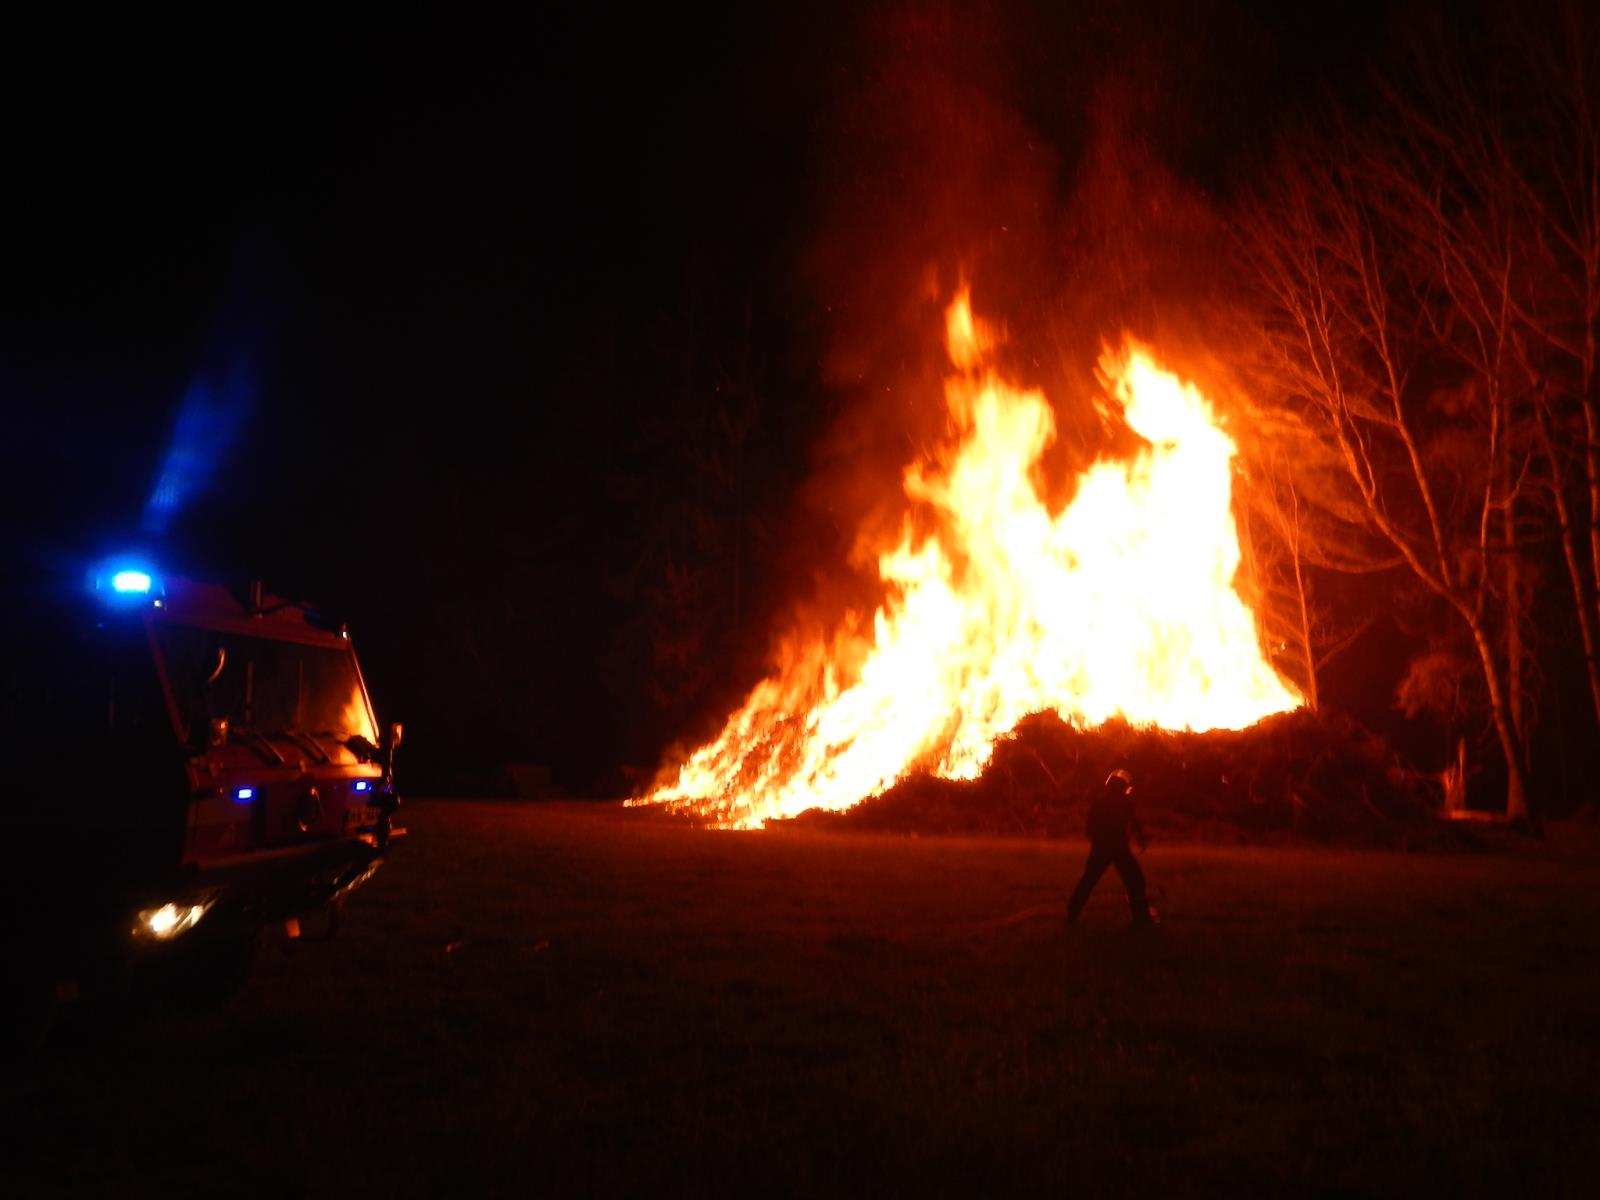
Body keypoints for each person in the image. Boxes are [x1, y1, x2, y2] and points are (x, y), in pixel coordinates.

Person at [1067, 768, 1157, 925]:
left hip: (1100, 848)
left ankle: (1072, 911)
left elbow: (1089, 829)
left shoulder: (1098, 803)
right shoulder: (1126, 803)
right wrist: (1140, 839)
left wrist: (1099, 841)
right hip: (1119, 848)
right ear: (1123, 787)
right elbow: (1133, 823)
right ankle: (1141, 917)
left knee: (1088, 880)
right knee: (1135, 881)